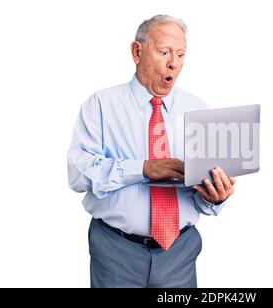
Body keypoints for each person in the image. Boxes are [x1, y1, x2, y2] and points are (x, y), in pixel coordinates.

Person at [67, 15, 236, 288]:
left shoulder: (199, 110)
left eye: (181, 54)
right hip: (116, 251)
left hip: (180, 252)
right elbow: (78, 175)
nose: (174, 63)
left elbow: (202, 201)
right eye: (164, 52)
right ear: (137, 52)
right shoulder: (100, 105)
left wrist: (216, 197)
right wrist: (143, 169)